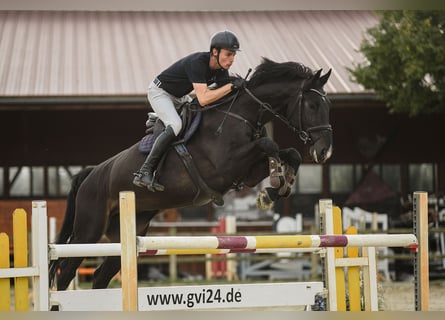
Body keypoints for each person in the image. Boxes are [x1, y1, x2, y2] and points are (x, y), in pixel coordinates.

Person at [133, 30, 246, 191]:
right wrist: (230, 86)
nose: (232, 60)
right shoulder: (198, 62)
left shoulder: (221, 70)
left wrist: (239, 88)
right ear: (215, 51)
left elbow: (222, 97)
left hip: (179, 97)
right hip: (160, 93)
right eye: (228, 54)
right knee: (176, 125)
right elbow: (204, 99)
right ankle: (144, 171)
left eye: (234, 55)